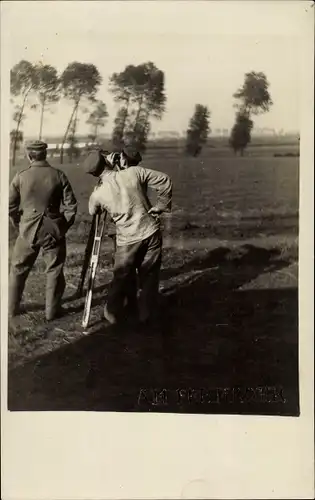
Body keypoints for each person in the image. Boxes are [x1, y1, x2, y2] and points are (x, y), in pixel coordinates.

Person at [87, 145, 172, 325]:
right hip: (150, 231)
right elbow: (164, 179)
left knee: (121, 275)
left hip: (127, 239)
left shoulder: (98, 194)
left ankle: (112, 314)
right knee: (149, 275)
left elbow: (92, 211)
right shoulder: (133, 172)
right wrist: (162, 205)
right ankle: (146, 315)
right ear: (107, 162)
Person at [8, 140, 77, 321]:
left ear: (29, 155)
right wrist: (62, 226)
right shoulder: (58, 175)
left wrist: (19, 224)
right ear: (45, 154)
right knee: (54, 269)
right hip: (52, 230)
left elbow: (9, 206)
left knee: (17, 269)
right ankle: (51, 312)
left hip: (27, 229)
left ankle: (10, 310)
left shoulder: (20, 176)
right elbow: (71, 206)